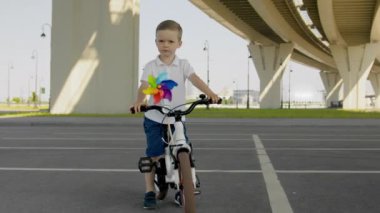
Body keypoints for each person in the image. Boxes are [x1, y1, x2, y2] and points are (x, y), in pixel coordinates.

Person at [131, 19, 219, 209]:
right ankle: (149, 191)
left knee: (184, 149)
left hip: (177, 117)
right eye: (161, 41)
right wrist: (140, 101)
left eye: (170, 42)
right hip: (155, 118)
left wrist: (210, 93)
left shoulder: (183, 65)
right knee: (154, 155)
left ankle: (184, 187)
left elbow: (195, 79)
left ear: (179, 44)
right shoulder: (151, 66)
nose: (165, 45)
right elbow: (144, 85)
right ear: (156, 42)